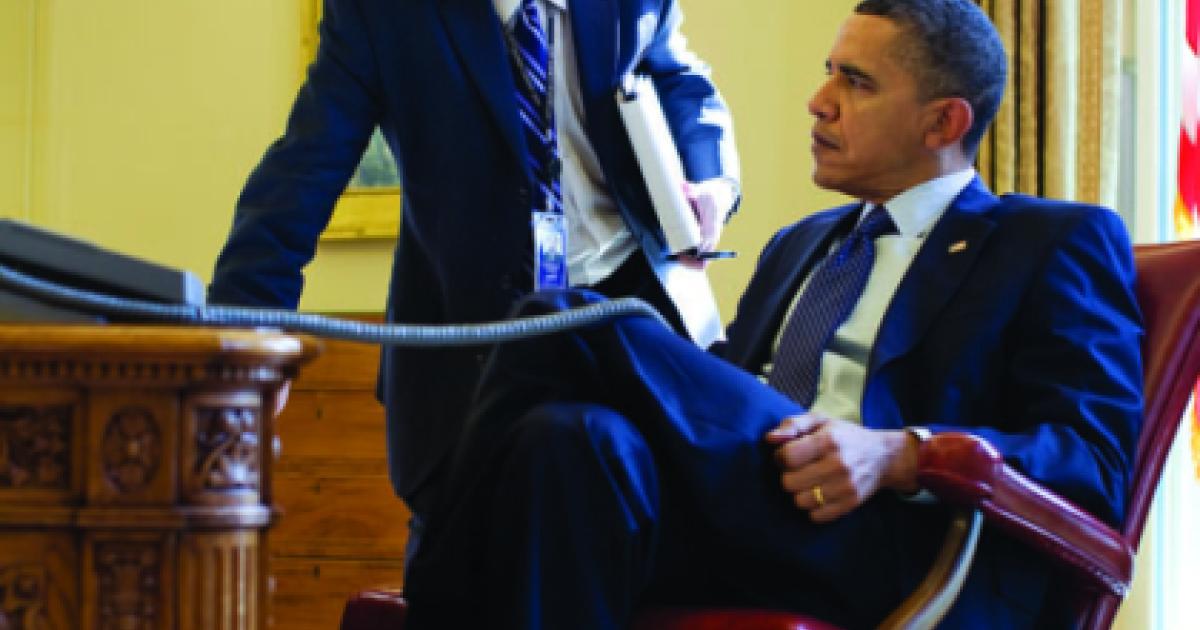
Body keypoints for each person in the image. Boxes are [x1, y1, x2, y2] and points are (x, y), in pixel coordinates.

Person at [400, 0, 1144, 628]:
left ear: (942, 123)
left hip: (887, 535)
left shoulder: (1051, 240)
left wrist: (898, 454)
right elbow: (719, 404)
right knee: (567, 437)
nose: (819, 101)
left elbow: (1094, 461)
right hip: (740, 515)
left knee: (581, 321)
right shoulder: (799, 245)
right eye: (829, 71)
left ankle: (427, 605)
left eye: (855, 82)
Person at [205, 0, 740, 554]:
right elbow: (303, 172)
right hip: (474, 362)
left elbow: (679, 78)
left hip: (632, 311)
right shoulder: (381, 13)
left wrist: (712, 182)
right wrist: (247, 332)